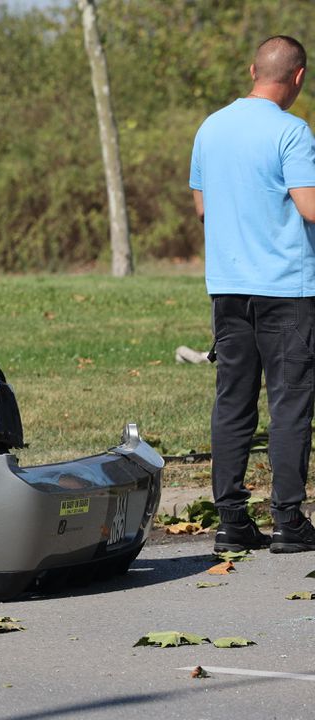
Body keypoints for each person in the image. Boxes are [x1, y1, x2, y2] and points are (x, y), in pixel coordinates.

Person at [191, 35, 315, 554]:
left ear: (251, 70)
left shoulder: (210, 127)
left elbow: (202, 209)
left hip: (227, 288)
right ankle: (288, 520)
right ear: (299, 77)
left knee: (233, 400)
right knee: (289, 403)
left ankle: (232, 521)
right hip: (286, 287)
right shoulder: (293, 131)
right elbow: (310, 207)